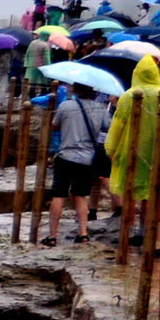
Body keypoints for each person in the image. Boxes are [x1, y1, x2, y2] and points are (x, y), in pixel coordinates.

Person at [105, 53, 160, 250]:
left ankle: (127, 234)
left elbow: (118, 125)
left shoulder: (128, 96)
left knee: (130, 194)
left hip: (131, 151)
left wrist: (110, 148)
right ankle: (146, 233)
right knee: (151, 195)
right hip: (158, 153)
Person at [45, 89, 105, 245]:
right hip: (87, 158)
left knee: (59, 194)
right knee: (80, 195)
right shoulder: (100, 108)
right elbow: (107, 127)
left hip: (65, 155)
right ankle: (83, 233)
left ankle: (52, 236)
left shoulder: (66, 105)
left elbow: (54, 126)